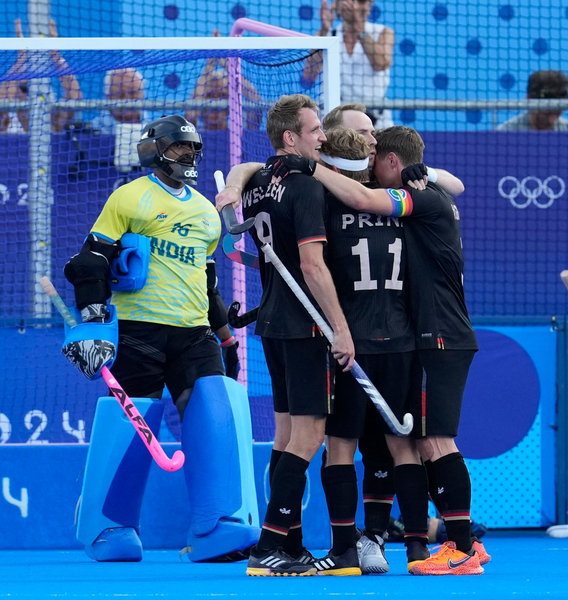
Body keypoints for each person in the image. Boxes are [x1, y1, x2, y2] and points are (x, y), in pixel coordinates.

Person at [266, 125, 487, 576]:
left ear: (387, 161)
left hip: (430, 336)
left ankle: (456, 546)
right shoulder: (425, 194)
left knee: (425, 441)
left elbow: (367, 199)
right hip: (415, 338)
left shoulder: (413, 199)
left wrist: (307, 167)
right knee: (413, 441)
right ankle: (419, 550)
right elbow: (452, 183)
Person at [63, 115, 257, 563]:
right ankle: (106, 525)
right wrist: (92, 324)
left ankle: (215, 525)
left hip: (194, 334)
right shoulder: (130, 197)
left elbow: (207, 284)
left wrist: (226, 339)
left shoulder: (208, 213)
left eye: (192, 148)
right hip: (138, 332)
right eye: (177, 148)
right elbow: (91, 261)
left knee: (210, 408)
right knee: (136, 422)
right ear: (153, 151)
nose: (188, 156)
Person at [215, 94, 355, 577]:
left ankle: (290, 543)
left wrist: (234, 180)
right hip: (306, 324)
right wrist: (340, 327)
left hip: (273, 323)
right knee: (311, 433)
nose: (323, 138)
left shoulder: (255, 183)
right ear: (292, 137)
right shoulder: (305, 187)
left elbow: (250, 167)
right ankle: (271, 545)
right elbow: (313, 267)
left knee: (286, 434)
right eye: (315, 130)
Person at [322, 102, 466, 196]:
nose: (373, 141)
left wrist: (423, 171)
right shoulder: (317, 181)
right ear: (336, 136)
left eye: (372, 133)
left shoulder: (385, 176)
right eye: (361, 133)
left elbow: (457, 187)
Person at [303, 0, 395, 128]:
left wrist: (357, 26)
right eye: (350, 1)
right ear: (337, 6)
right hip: (334, 122)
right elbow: (309, 76)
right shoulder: (325, 35)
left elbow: (381, 63)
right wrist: (325, 32)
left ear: (370, 5)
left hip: (376, 123)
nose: (355, 6)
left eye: (361, 1)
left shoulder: (383, 32)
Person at [0, 18, 81, 134]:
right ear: (15, 91)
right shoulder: (5, 120)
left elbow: (75, 97)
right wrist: (21, 58)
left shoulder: (53, 121)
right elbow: (2, 99)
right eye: (26, 88)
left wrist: (55, 55)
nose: (31, 93)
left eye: (37, 89)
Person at [186, 30, 263, 131]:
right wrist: (209, 65)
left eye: (222, 95)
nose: (216, 103)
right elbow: (190, 112)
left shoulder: (241, 133)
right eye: (210, 95)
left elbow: (256, 101)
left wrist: (229, 66)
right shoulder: (192, 134)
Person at [497, 70, 568, 132]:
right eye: (546, 114)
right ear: (529, 100)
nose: (551, 120)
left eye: (556, 113)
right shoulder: (505, 132)